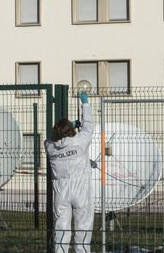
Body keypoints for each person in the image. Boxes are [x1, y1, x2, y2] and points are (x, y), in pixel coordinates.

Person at [45, 91, 94, 253]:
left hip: (61, 193)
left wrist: (70, 125)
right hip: (80, 190)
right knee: (83, 229)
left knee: (61, 230)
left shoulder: (50, 147)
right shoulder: (79, 142)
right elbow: (88, 126)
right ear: (71, 132)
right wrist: (85, 104)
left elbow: (50, 139)